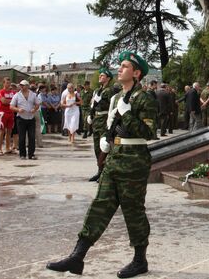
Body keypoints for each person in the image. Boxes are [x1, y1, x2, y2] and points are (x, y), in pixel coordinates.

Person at [47, 50, 157, 278]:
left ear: (136, 73)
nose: (120, 69)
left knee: (133, 210)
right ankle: (77, 257)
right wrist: (107, 142)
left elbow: (148, 132)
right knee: (99, 205)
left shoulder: (144, 98)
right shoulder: (116, 98)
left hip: (134, 159)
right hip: (116, 157)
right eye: (121, 65)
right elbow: (111, 127)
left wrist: (127, 116)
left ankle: (140, 260)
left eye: (125, 66)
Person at [87, 68, 115, 182]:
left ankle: (106, 172)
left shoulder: (110, 91)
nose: (100, 77)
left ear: (108, 78)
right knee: (97, 148)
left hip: (104, 120)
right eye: (100, 75)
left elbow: (111, 106)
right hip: (96, 120)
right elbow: (93, 104)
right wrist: (90, 115)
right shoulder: (97, 90)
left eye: (102, 75)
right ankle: (100, 170)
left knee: (105, 147)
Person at [10, 80, 41, 160]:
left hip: (30, 118)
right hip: (21, 118)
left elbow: (37, 104)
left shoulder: (33, 95)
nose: (21, 87)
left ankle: (31, 154)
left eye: (23, 85)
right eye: (21, 85)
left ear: (27, 86)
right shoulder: (17, 95)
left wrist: (34, 109)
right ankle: (22, 154)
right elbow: (11, 106)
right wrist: (18, 110)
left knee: (31, 136)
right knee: (22, 137)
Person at [0, 78, 15, 155]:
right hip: (3, 113)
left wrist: (9, 101)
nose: (8, 85)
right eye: (7, 83)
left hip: (11, 113)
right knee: (2, 131)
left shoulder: (13, 92)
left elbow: (16, 101)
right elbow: (3, 101)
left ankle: (7, 147)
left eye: (9, 83)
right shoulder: (1, 92)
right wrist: (12, 101)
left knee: (9, 132)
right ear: (3, 83)